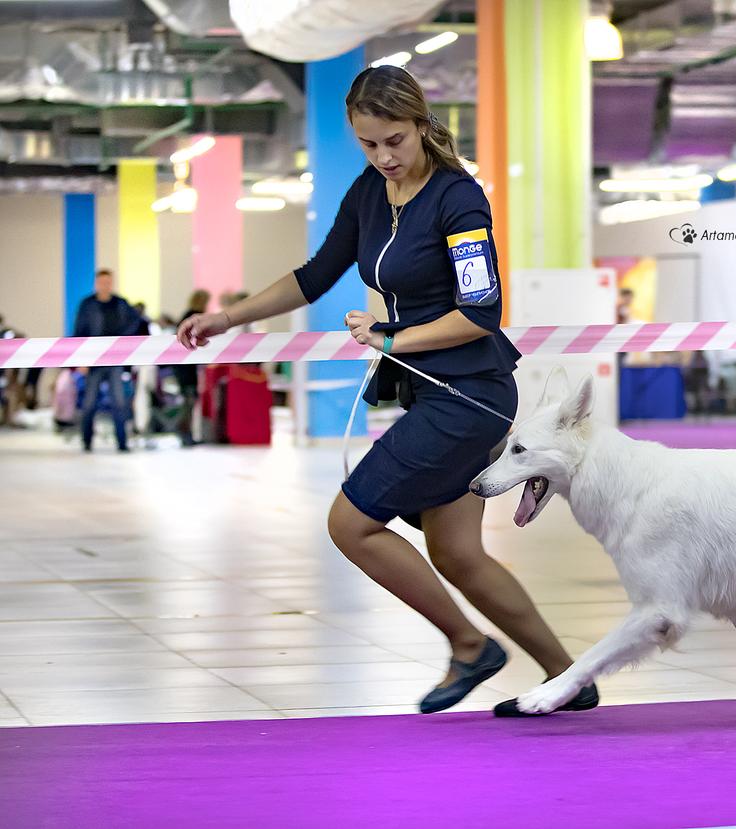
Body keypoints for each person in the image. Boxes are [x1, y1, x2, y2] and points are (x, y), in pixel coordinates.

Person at [178, 65, 590, 718]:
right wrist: (228, 316)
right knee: (456, 552)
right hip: (432, 393)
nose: (384, 157)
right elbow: (316, 275)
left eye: (394, 140)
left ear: (422, 124)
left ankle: (468, 646)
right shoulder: (369, 191)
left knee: (351, 522)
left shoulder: (459, 199)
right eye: (369, 144)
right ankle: (570, 676)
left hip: (471, 395)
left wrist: (393, 337)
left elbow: (481, 310)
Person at [73, 269, 140, 452]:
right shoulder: (87, 305)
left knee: (119, 402)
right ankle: (86, 442)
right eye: (102, 282)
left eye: (108, 282)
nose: (105, 285)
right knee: (89, 403)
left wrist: (124, 341)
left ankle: (122, 443)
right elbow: (79, 332)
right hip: (92, 360)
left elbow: (136, 322)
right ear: (96, 283)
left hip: (115, 360)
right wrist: (81, 360)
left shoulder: (121, 303)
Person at [173, 289, 210, 446]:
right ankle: (183, 431)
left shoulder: (186, 315)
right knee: (189, 399)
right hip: (186, 367)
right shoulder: (195, 316)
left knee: (189, 399)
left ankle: (185, 432)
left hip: (184, 366)